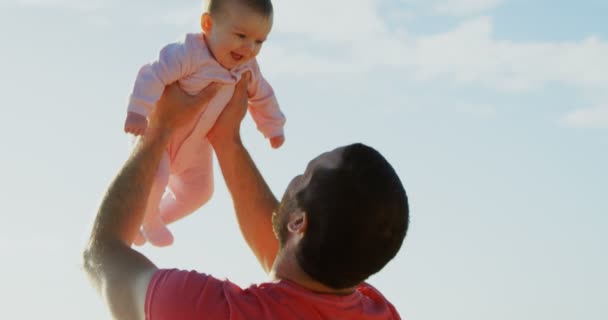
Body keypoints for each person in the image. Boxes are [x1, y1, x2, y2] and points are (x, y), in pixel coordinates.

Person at [82, 75, 409, 319]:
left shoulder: (200, 308)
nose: (293, 179)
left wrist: (160, 128)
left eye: (305, 174)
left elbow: (100, 258)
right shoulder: (379, 313)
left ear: (298, 222)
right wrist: (227, 141)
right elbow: (298, 264)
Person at [124, 0, 286, 247]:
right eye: (241, 35)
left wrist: (273, 127)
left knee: (200, 191)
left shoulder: (248, 69)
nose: (249, 47)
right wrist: (138, 111)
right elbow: (152, 74)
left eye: (259, 41)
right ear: (208, 24)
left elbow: (263, 97)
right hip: (157, 131)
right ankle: (147, 219)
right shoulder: (187, 53)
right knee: (155, 177)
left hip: (197, 145)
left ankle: (155, 220)